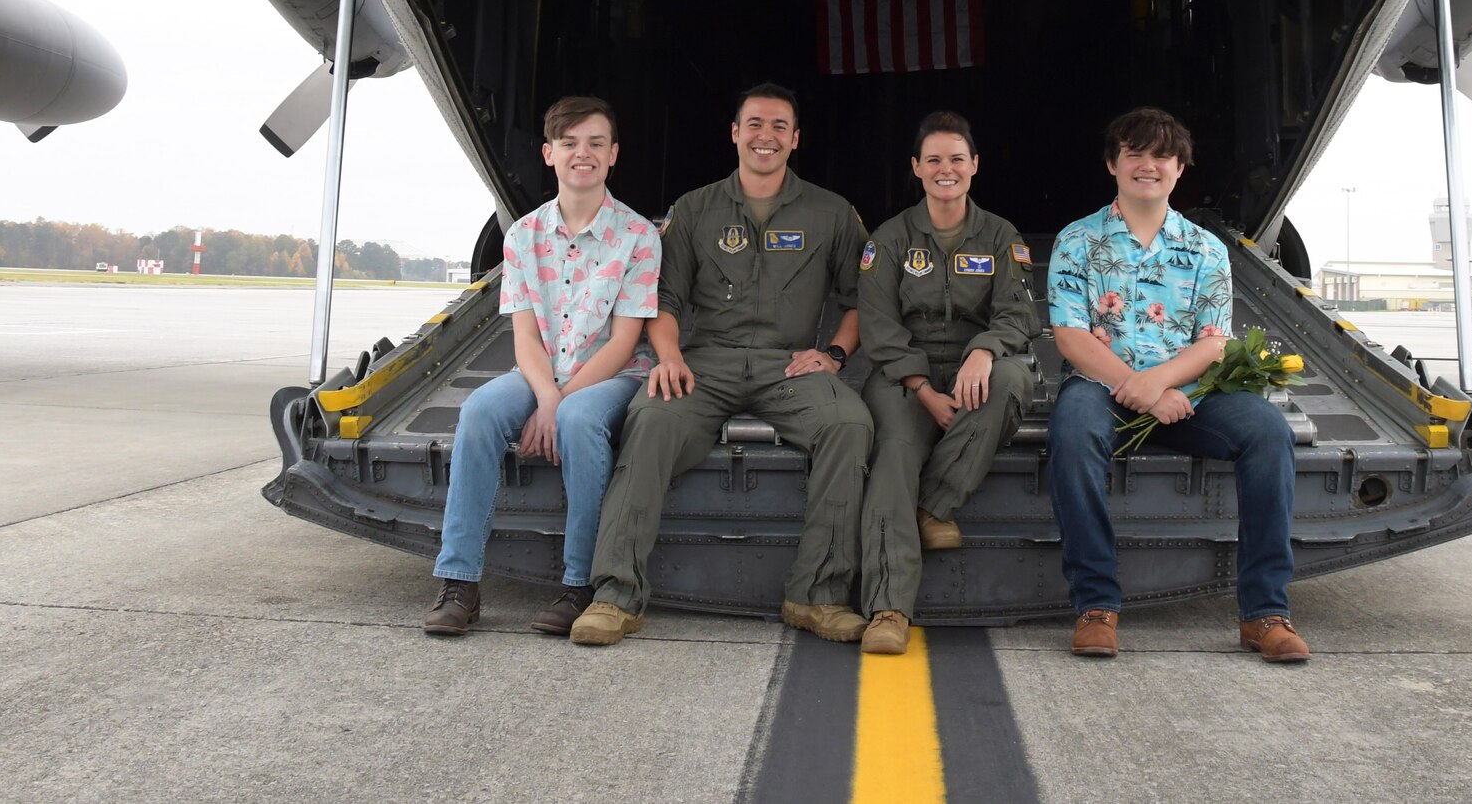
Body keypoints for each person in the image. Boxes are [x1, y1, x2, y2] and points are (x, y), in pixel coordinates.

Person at [571, 83, 874, 646]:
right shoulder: (695, 209)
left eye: (780, 126)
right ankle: (615, 597)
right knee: (652, 421)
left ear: (796, 139)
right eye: (755, 124)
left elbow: (864, 300)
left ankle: (817, 595)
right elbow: (662, 301)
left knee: (849, 425)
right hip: (703, 364)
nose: (767, 136)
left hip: (789, 368)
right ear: (735, 133)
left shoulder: (831, 213)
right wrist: (667, 356)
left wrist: (834, 355)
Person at [1044, 107, 1308, 662]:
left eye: (1162, 155)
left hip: (1189, 395)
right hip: (1099, 385)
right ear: (1112, 164)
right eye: (1134, 153)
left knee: (1268, 433)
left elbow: (1214, 342)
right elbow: (1070, 335)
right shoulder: (1078, 240)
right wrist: (1134, 387)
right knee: (1071, 434)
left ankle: (1265, 614)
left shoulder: (1206, 249)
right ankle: (1095, 606)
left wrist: (1164, 388)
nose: (1148, 165)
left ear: (1180, 168)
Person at [424, 96, 662, 638]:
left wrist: (562, 401)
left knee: (579, 420)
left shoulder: (638, 237)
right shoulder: (522, 236)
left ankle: (580, 584)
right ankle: (460, 580)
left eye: (597, 143)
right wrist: (546, 397)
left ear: (614, 154)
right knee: (481, 411)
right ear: (549, 153)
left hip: (612, 376)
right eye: (571, 143)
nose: (585, 154)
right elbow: (525, 337)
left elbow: (624, 342)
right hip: (544, 370)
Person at [854, 111, 1039, 655]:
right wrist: (922, 388)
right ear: (916, 167)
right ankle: (888, 609)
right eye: (933, 159)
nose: (945, 169)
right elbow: (877, 325)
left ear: (975, 165)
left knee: (1009, 380)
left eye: (956, 158)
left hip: (973, 369)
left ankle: (931, 507)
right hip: (903, 377)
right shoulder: (889, 239)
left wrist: (984, 349)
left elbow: (1017, 313)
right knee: (894, 455)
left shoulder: (1001, 235)